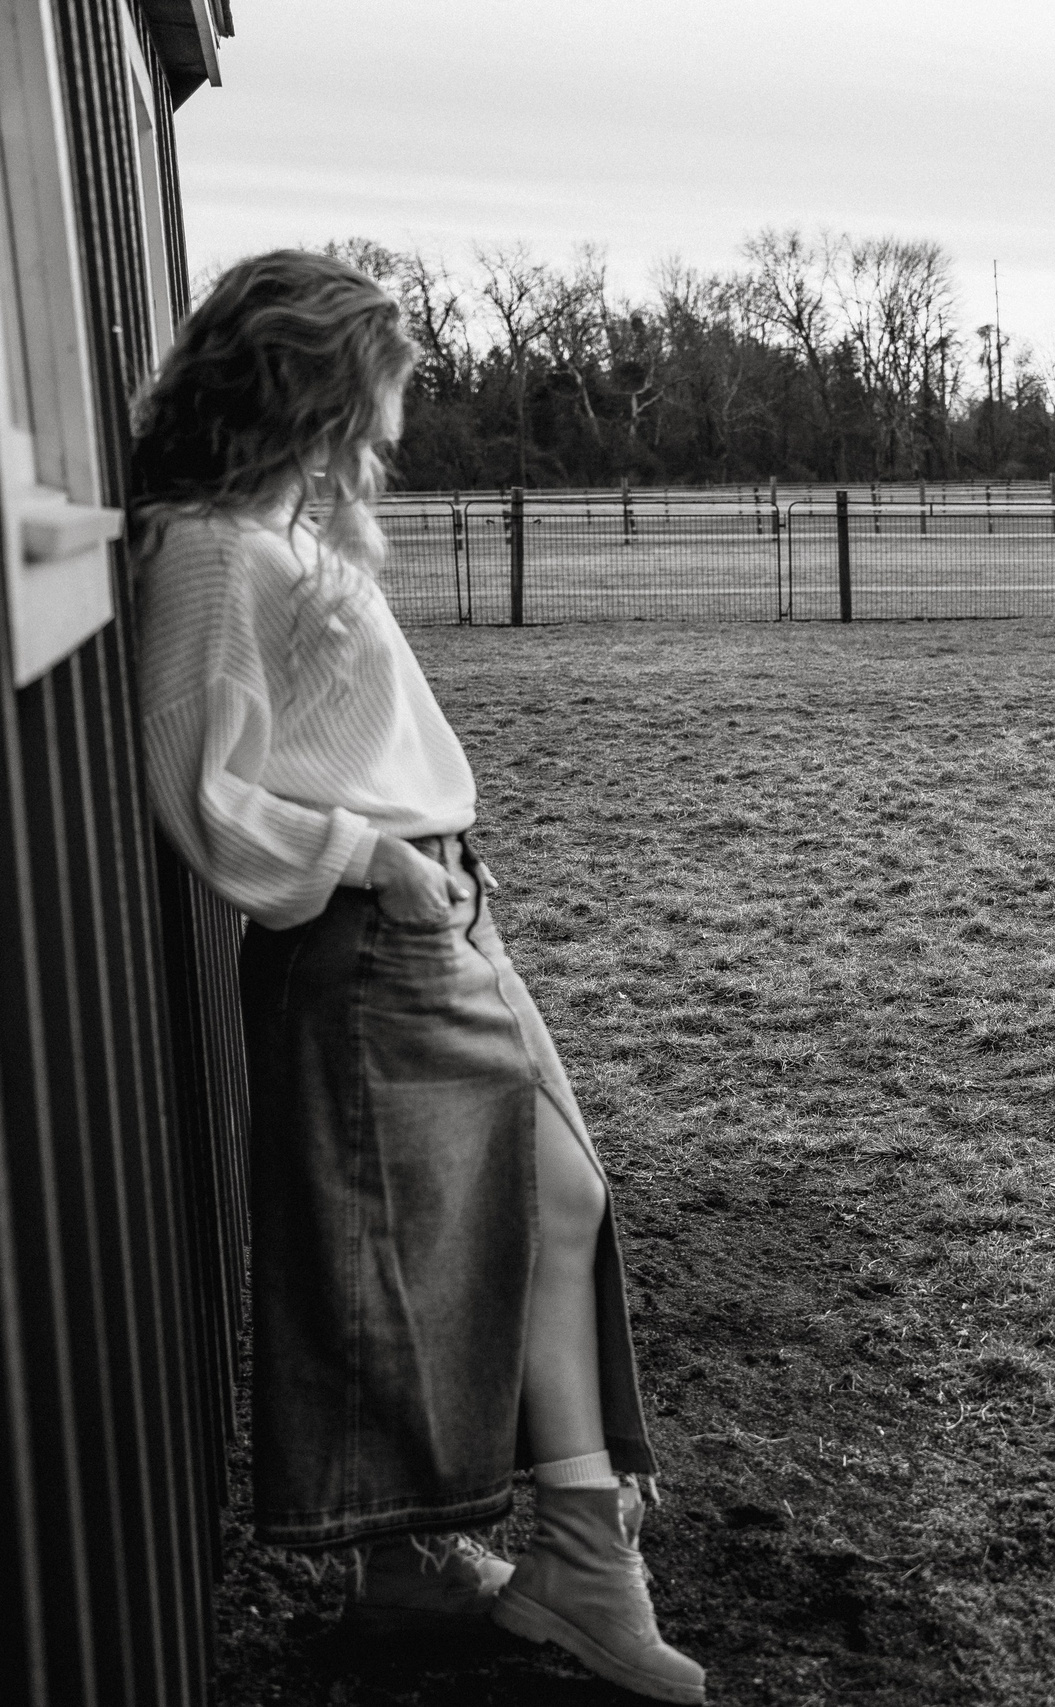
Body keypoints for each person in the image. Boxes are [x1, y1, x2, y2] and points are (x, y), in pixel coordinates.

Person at [131, 251, 704, 1704]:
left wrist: (421, 868)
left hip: (437, 901)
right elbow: (199, 793)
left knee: (498, 1214)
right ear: (302, 383)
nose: (384, 431)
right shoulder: (213, 550)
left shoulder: (292, 529)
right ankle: (581, 1568)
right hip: (374, 922)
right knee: (489, 1220)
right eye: (371, 396)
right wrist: (371, 861)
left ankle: (476, 1556)